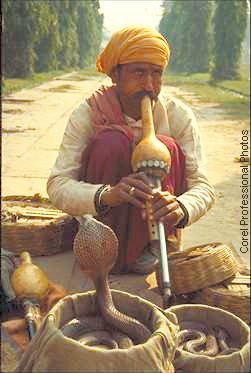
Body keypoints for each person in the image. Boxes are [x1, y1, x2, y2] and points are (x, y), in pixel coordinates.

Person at [47, 26, 215, 275]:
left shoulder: (178, 115)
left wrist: (180, 207)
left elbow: (203, 186)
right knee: (112, 142)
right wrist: (107, 194)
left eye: (156, 73)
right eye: (138, 73)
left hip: (157, 236)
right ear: (115, 74)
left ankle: (155, 244)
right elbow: (57, 185)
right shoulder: (88, 113)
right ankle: (102, 247)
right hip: (100, 233)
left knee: (166, 146)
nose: (148, 85)